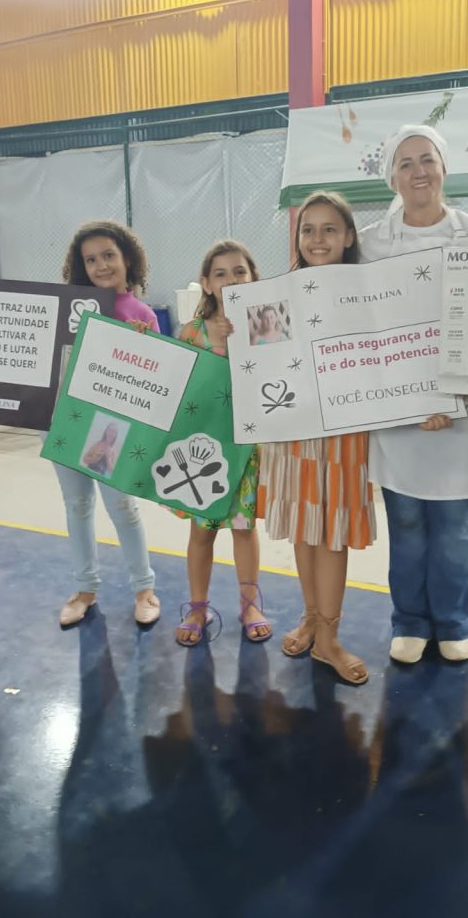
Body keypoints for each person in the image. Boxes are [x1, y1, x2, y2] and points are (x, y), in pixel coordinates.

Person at [358, 125, 468, 665]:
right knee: (409, 524)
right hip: (399, 415)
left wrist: (454, 398)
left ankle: (453, 621)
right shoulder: (369, 244)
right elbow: (355, 323)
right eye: (406, 162)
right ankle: (411, 621)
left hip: (465, 412)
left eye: (427, 160)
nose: (419, 171)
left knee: (455, 526)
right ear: (391, 177)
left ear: (444, 168)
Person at [258, 192, 376, 684]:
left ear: (348, 236)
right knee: (305, 527)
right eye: (308, 229)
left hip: (343, 433)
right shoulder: (277, 295)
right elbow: (261, 362)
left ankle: (329, 635)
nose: (318, 239)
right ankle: (310, 617)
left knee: (331, 533)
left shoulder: (369, 293)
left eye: (330, 229)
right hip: (292, 430)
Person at [56, 220, 161, 628]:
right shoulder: (68, 309)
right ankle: (85, 589)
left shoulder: (143, 315)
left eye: (108, 256)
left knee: (122, 507)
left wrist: (143, 345)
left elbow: (157, 378)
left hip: (115, 427)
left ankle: (144, 588)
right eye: (91, 260)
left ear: (127, 259)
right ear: (81, 267)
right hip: (67, 420)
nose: (101, 266)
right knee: (77, 506)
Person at [174, 240, 271, 646]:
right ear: (206, 283)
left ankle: (250, 605)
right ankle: (197, 607)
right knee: (202, 533)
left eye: (239, 272)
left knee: (244, 530)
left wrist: (242, 341)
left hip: (246, 451)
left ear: (253, 277)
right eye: (220, 274)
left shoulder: (266, 325)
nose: (231, 280)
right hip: (203, 454)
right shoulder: (192, 332)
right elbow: (176, 386)